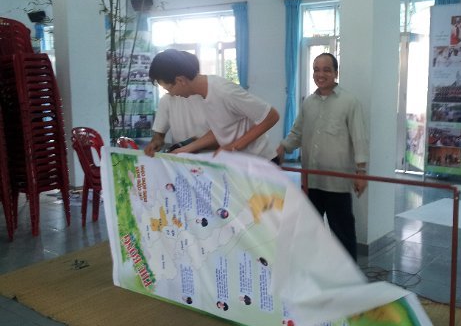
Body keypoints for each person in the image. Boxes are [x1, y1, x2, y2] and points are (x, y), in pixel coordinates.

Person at [277, 53, 368, 260]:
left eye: (326, 70)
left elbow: (359, 139)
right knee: (309, 231)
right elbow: (297, 133)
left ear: (336, 73)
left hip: (337, 182)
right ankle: (313, 271)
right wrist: (283, 147)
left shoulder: (349, 102)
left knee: (342, 233)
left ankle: (348, 274)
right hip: (311, 181)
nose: (321, 74)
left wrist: (361, 172)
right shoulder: (308, 103)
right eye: (316, 69)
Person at [146, 49, 279, 161]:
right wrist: (183, 150)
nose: (171, 94)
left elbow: (272, 116)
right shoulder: (204, 95)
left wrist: (233, 147)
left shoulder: (223, 91)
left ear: (180, 80)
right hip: (241, 163)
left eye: (169, 89)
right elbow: (219, 130)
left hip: (262, 161)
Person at [144, 90, 211, 156]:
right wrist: (155, 142)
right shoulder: (167, 99)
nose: (168, 91)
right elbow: (159, 134)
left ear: (182, 83)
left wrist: (190, 147)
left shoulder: (209, 96)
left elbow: (216, 136)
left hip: (209, 156)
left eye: (170, 87)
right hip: (179, 156)